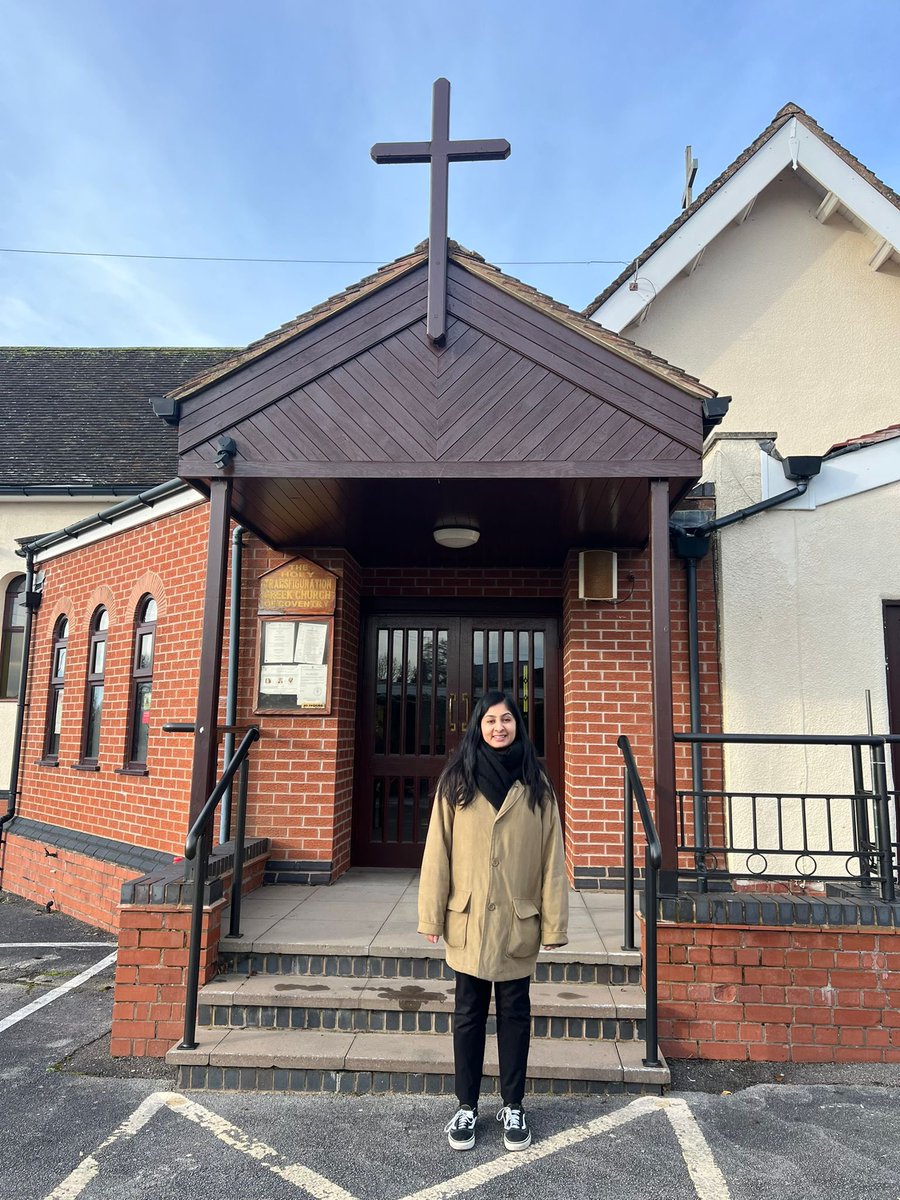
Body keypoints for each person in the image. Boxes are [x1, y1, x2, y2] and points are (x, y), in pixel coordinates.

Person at [417, 689, 568, 1153]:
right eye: (489, 721)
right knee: (467, 1014)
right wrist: (431, 913)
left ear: (518, 725)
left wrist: (555, 924)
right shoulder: (456, 781)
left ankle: (514, 1103)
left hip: (517, 923)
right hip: (468, 920)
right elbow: (436, 852)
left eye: (507, 720)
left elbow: (551, 861)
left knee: (515, 1014)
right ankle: (466, 1105)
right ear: (477, 727)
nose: (498, 728)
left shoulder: (537, 785)